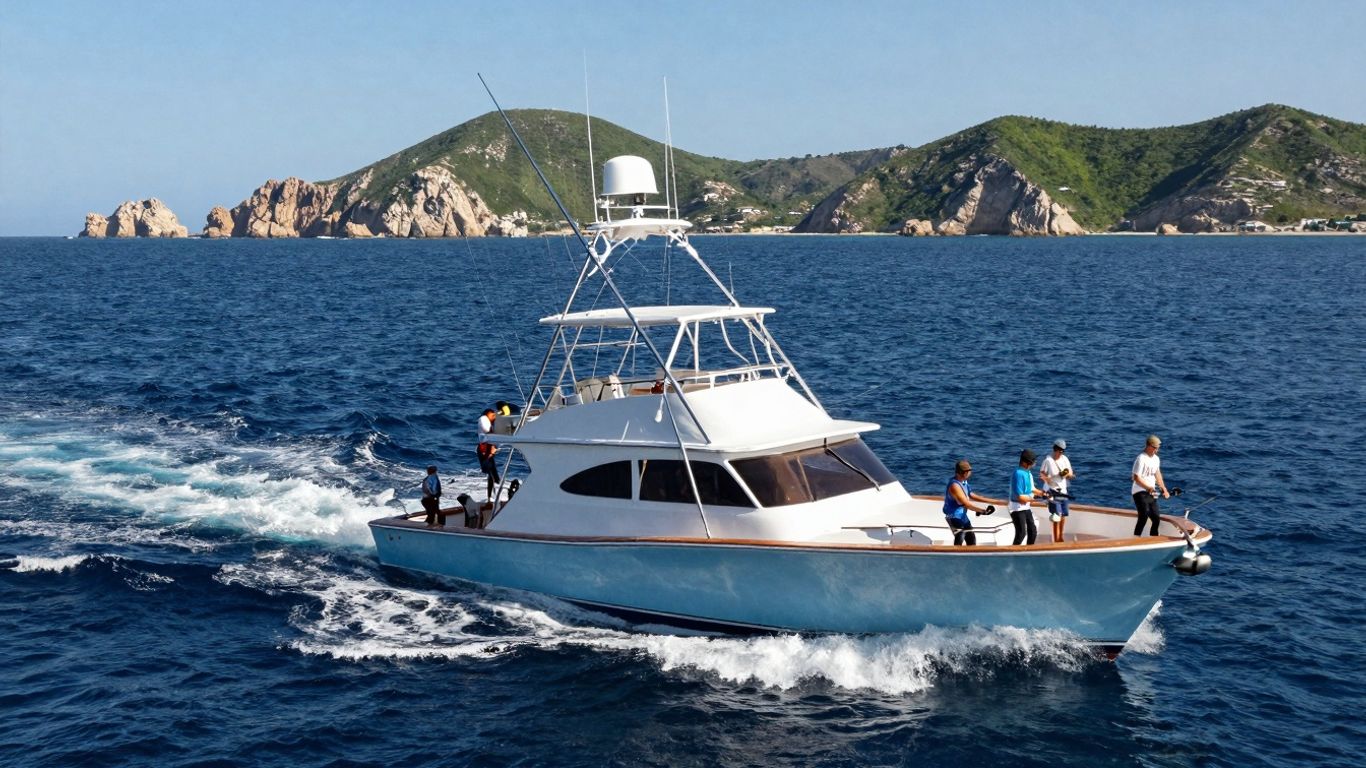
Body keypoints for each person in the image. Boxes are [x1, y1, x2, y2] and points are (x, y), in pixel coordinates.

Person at [943, 459, 995, 546]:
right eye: (969, 471)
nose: (970, 473)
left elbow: (971, 494)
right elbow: (966, 504)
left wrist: (991, 501)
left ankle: (970, 555)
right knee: (961, 534)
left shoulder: (964, 482)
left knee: (971, 538)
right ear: (964, 473)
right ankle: (955, 555)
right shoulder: (954, 486)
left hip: (962, 515)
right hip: (953, 516)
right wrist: (983, 511)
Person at [1131, 434, 1170, 536]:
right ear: (1149, 446)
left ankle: (1154, 540)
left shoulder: (1156, 459)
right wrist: (1148, 488)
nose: (1157, 450)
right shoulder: (1141, 459)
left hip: (1150, 492)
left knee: (1156, 518)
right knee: (1144, 515)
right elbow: (1135, 478)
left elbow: (1157, 474)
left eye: (1158, 448)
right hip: (1139, 491)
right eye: (1155, 448)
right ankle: (1136, 539)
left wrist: (1164, 489)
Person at [1009, 449, 1049, 545]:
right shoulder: (1018, 474)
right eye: (1032, 461)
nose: (1034, 463)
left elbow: (1032, 489)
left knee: (1032, 531)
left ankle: (1028, 550)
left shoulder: (1028, 473)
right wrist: (1038, 499)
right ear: (1025, 462)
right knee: (1021, 533)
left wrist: (1043, 493)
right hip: (1017, 508)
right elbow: (1020, 498)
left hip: (1026, 507)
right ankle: (1014, 553)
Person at [1039, 439, 1074, 543]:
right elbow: (1042, 474)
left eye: (1063, 451)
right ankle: (1056, 539)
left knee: (1063, 515)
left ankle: (1060, 537)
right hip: (1052, 491)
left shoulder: (1065, 459)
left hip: (1063, 491)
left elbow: (1071, 474)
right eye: (1060, 451)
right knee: (1056, 516)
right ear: (1055, 449)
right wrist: (1048, 479)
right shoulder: (1048, 461)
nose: (1061, 453)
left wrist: (1066, 475)